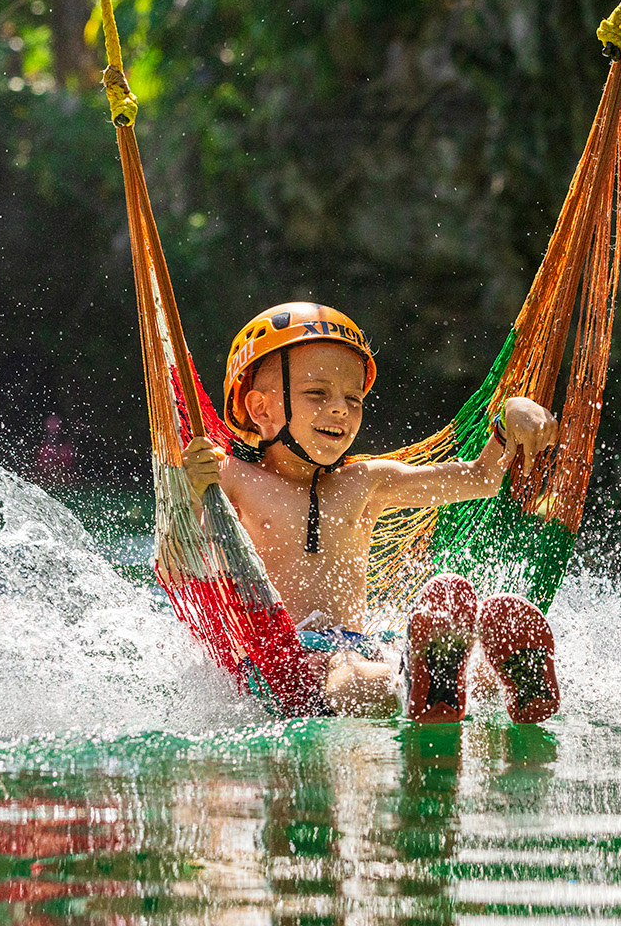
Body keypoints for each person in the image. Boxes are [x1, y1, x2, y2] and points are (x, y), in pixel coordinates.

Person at [183, 303, 561, 723]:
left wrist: (511, 415)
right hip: (278, 660)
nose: (341, 409)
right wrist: (194, 486)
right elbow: (181, 544)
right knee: (347, 674)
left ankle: (499, 675)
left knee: (380, 659)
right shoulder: (228, 476)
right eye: (317, 393)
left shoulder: (365, 482)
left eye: (353, 398)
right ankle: (422, 680)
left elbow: (481, 479)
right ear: (261, 410)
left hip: (359, 645)